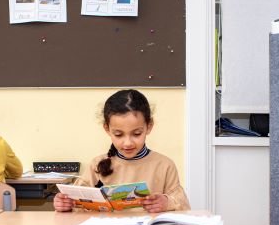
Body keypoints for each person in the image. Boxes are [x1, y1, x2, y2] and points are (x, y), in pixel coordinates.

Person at [54, 89, 190, 213]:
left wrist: (167, 203)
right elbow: (76, 204)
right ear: (107, 129)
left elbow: (183, 206)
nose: (128, 142)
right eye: (119, 135)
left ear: (149, 126)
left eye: (136, 133)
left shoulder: (164, 165)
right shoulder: (97, 164)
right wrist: (65, 204)